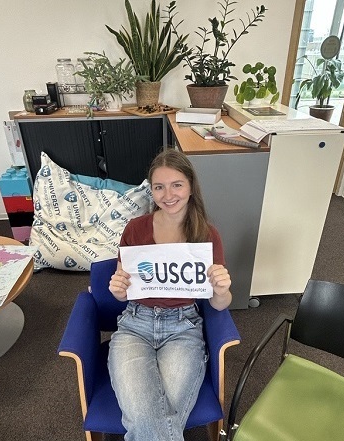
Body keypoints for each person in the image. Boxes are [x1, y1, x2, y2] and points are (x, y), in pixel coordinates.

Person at [108, 148, 232, 441]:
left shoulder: (207, 234)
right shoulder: (135, 229)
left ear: (190, 187)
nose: (168, 195)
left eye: (177, 184)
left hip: (183, 327)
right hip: (134, 325)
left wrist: (222, 289)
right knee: (148, 414)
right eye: (159, 187)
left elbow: (219, 304)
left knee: (146, 417)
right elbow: (122, 293)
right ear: (151, 191)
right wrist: (118, 289)